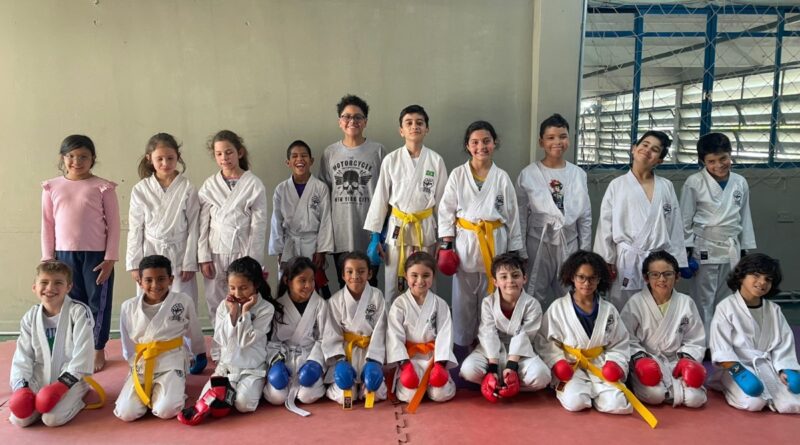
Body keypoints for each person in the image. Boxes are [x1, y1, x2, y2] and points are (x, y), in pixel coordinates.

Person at [537, 251, 657, 428]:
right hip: (571, 365)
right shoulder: (558, 308)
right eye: (581, 277)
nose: (587, 283)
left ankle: (598, 391)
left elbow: (619, 342)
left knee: (618, 404)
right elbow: (545, 341)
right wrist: (557, 362)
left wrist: (614, 363)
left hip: (600, 364)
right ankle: (583, 390)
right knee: (576, 402)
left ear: (599, 279)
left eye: (592, 278)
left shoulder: (608, 310)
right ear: (572, 277)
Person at [437, 121, 523, 349]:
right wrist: (446, 245)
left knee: (492, 297)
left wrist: (515, 251)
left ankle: (490, 346)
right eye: (474, 142)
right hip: (465, 244)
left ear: (494, 143)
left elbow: (513, 214)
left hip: (495, 244)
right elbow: (446, 210)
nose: (481, 147)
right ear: (467, 146)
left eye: (486, 141)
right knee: (462, 300)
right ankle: (463, 344)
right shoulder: (458, 174)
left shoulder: (502, 177)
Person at [126, 133, 206, 374]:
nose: (165, 163)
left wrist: (190, 261)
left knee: (183, 302)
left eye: (170, 158)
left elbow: (194, 226)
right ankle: (148, 348)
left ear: (177, 158)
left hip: (179, 251)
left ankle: (193, 351)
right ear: (149, 159)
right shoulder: (140, 189)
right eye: (159, 159)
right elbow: (135, 228)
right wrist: (134, 263)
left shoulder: (187, 187)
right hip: (150, 252)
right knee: (150, 301)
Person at [41, 134, 120, 372]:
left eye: (83, 156)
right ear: (63, 158)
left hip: (96, 256)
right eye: (71, 156)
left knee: (97, 303)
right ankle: (77, 348)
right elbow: (47, 223)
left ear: (92, 158)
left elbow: (114, 225)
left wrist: (110, 258)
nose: (77, 161)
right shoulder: (51, 187)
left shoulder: (102, 187)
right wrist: (48, 258)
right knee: (72, 304)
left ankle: (97, 348)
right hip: (63, 256)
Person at [179, 257, 280, 425]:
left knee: (243, 405)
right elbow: (221, 339)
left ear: (256, 285)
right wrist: (232, 313)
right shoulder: (224, 306)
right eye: (232, 288)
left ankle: (254, 387)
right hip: (226, 368)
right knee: (207, 402)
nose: (237, 294)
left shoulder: (266, 309)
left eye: (243, 288)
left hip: (252, 368)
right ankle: (229, 391)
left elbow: (245, 341)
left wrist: (245, 312)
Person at [594, 130, 687, 311]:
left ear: (659, 160)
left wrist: (676, 262)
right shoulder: (617, 185)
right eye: (645, 145)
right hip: (627, 260)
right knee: (623, 309)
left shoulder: (666, 186)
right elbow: (605, 225)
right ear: (634, 149)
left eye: (655, 149)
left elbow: (675, 226)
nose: (647, 150)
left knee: (657, 307)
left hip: (658, 261)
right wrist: (605, 260)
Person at [363, 105, 448, 302]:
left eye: (419, 123)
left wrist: (444, 240)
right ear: (401, 130)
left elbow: (444, 203)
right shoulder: (391, 160)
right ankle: (394, 321)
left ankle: (427, 321)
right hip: (398, 228)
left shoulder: (435, 160)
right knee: (394, 282)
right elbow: (380, 198)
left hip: (424, 229)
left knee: (425, 281)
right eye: (408, 123)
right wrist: (375, 237)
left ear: (427, 128)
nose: (414, 126)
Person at [198, 130, 268, 360]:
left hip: (242, 250)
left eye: (228, 152)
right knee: (215, 300)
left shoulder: (253, 184)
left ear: (240, 152)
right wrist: (203, 256)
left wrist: (253, 262)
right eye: (219, 154)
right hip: (215, 250)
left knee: (244, 298)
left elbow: (258, 226)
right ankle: (221, 347)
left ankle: (244, 345)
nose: (224, 158)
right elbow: (203, 224)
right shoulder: (210, 185)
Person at [680, 132, 756, 336]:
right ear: (703, 162)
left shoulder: (740, 182)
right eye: (711, 161)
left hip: (731, 246)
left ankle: (723, 339)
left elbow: (745, 216)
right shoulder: (694, 182)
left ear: (730, 154)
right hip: (704, 245)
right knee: (703, 297)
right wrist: (685, 249)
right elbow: (685, 218)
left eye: (723, 158)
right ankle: (702, 341)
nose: (719, 165)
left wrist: (746, 248)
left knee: (728, 295)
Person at [9, 261, 100, 427]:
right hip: (40, 376)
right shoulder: (30, 317)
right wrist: (21, 387)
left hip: (72, 377)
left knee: (51, 419)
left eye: (58, 283)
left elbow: (84, 353)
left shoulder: (79, 311)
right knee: (20, 419)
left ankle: (80, 397)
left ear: (69, 287)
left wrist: (62, 385)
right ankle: (37, 400)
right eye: (44, 282)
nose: (50, 288)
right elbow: (23, 356)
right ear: (34, 287)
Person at [114, 255, 205, 421]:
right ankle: (153, 391)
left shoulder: (183, 301)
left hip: (171, 360)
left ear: (171, 279)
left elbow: (194, 330)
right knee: (126, 413)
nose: (155, 285)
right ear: (139, 281)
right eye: (148, 280)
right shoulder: (128, 306)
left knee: (166, 410)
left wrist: (199, 353)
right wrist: (130, 360)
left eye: (161, 279)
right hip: (142, 362)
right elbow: (126, 338)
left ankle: (176, 385)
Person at [516, 114, 592, 310]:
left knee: (572, 294)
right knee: (533, 294)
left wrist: (585, 252)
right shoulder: (528, 174)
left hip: (569, 241)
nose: (557, 142)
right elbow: (521, 216)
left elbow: (585, 216)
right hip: (538, 242)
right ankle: (531, 330)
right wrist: (521, 250)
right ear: (541, 142)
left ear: (569, 139)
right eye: (551, 137)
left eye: (562, 136)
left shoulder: (578, 174)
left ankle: (570, 330)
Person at [709, 253, 800, 414]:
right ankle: (724, 384)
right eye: (756, 275)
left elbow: (783, 344)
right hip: (735, 366)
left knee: (792, 404)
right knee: (754, 402)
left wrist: (785, 369)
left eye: (768, 279)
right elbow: (721, 348)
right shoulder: (726, 307)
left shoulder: (774, 310)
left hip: (767, 364)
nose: (762, 282)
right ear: (741, 276)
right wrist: (739, 373)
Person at [459, 253, 551, 403]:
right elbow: (488, 333)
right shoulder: (488, 302)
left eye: (515, 275)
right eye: (503, 277)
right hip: (490, 353)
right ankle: (494, 381)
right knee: (468, 370)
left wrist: (512, 365)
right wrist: (492, 368)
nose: (510, 281)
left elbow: (524, 335)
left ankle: (507, 385)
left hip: (520, 354)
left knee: (542, 376)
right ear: (495, 282)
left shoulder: (532, 304)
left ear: (524, 278)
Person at [620, 250, 707, 408]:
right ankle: (644, 381)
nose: (662, 279)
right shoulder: (636, 302)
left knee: (695, 399)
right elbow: (626, 338)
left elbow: (695, 339)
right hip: (648, 362)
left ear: (677, 277)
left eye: (667, 274)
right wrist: (640, 359)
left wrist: (687, 360)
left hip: (676, 362)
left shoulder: (686, 303)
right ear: (646, 278)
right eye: (655, 274)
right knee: (655, 396)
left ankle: (673, 387)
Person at [319, 94, 384, 289]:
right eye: (347, 116)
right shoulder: (330, 153)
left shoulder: (378, 151)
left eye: (358, 117)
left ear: (365, 122)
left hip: (370, 234)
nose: (352, 121)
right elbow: (324, 197)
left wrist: (380, 234)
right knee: (345, 285)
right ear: (340, 121)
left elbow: (386, 194)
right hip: (341, 234)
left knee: (370, 285)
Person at [387, 252, 457, 412]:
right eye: (414, 275)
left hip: (433, 358)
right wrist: (405, 365)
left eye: (426, 275)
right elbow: (394, 336)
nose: (420, 281)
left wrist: (440, 364)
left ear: (433, 276)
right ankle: (412, 380)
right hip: (409, 359)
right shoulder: (399, 304)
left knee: (441, 394)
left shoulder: (440, 304)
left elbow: (445, 335)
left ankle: (436, 383)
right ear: (406, 276)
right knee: (409, 396)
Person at [263, 257, 329, 416]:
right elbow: (273, 341)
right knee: (276, 397)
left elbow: (324, 338)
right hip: (285, 358)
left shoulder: (320, 305)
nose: (308, 285)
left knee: (307, 396)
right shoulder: (278, 305)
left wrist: (315, 363)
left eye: (312, 280)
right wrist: (276, 363)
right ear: (288, 280)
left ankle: (312, 374)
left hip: (309, 356)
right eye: (302, 280)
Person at [322, 252, 388, 408]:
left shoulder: (377, 296)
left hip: (369, 352)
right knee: (345, 395)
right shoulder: (335, 301)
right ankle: (345, 383)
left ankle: (366, 382)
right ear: (343, 275)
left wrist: (374, 361)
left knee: (377, 392)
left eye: (361, 271)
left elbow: (381, 330)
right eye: (350, 271)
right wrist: (340, 362)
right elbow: (331, 333)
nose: (355, 276)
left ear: (369, 274)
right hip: (346, 353)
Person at [269, 139, 334, 298]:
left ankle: (315, 313)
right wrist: (279, 250)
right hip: (289, 244)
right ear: (288, 162)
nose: (300, 159)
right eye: (295, 156)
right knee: (289, 284)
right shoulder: (281, 189)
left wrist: (322, 250)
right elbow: (276, 221)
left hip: (312, 244)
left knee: (313, 284)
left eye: (304, 156)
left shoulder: (320, 188)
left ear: (311, 160)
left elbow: (326, 220)